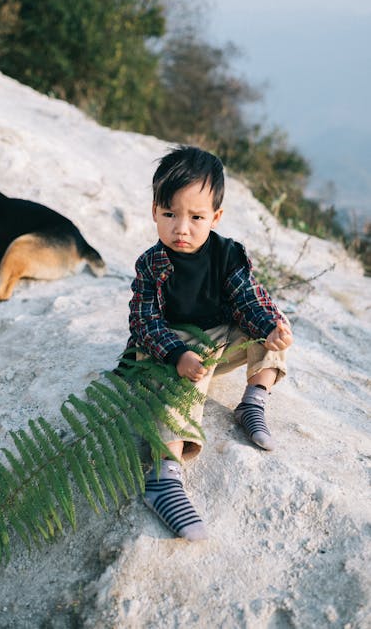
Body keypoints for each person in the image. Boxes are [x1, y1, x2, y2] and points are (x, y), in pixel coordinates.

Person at [127, 145, 293, 541]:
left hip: (219, 341)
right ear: (154, 211)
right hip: (170, 348)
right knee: (180, 394)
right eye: (169, 214)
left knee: (272, 326)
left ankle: (253, 401)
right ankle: (164, 476)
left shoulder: (227, 254)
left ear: (215, 217)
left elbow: (248, 299)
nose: (181, 228)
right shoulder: (152, 264)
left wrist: (269, 328)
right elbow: (143, 320)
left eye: (196, 217)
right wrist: (176, 353)